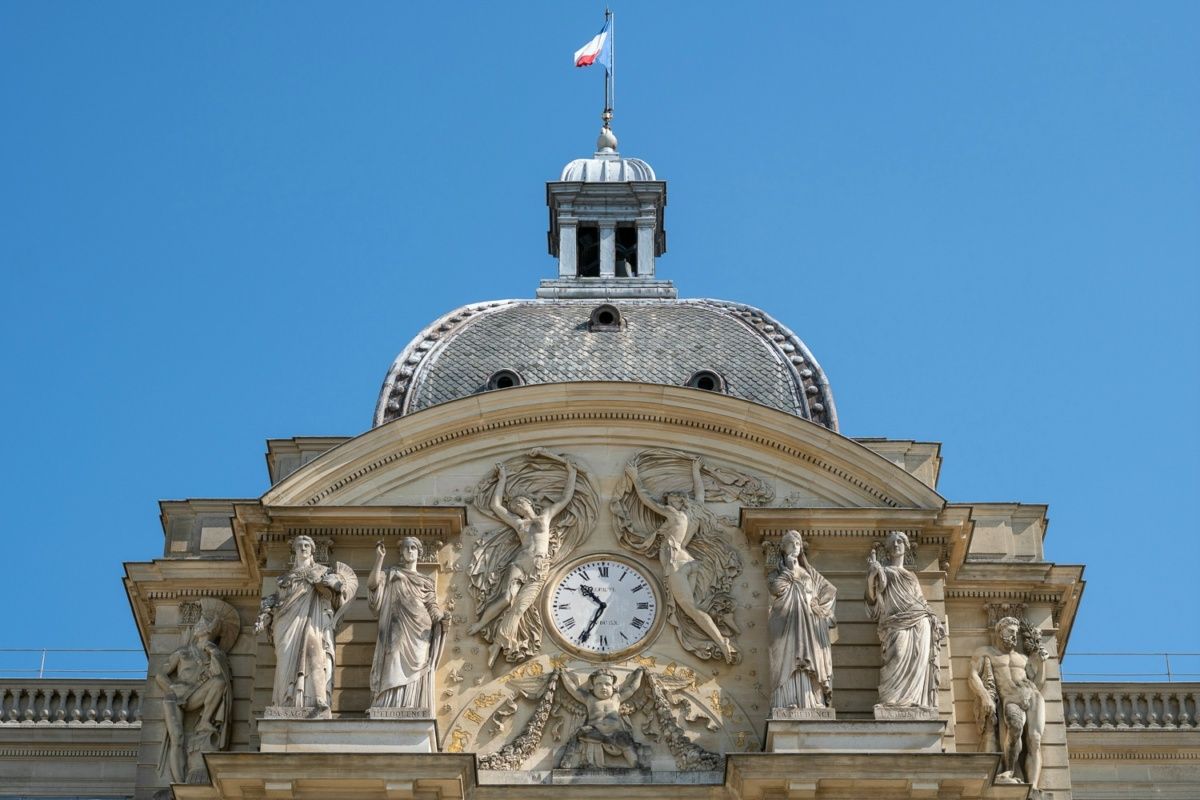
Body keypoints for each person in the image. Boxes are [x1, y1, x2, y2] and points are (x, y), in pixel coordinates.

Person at [625, 457, 738, 663]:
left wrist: (635, 479)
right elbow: (700, 494)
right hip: (689, 562)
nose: (666, 504)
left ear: (676, 502)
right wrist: (695, 470)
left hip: (676, 562)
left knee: (690, 609)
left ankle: (722, 642)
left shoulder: (674, 515)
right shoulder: (693, 513)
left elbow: (647, 500)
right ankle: (720, 635)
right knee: (692, 608)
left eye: (669, 501)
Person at [468, 457, 577, 665]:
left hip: (538, 566)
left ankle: (499, 642)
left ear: (529, 502)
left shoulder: (544, 517)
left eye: (519, 503)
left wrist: (571, 472)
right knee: (507, 599)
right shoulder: (519, 524)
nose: (517, 506)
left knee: (520, 606)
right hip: (520, 562)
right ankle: (481, 623)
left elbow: (565, 497)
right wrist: (503, 479)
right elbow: (496, 506)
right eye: (515, 505)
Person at [256, 535, 356, 712]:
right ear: (294, 551)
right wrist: (265, 615)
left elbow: (337, 599)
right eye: (299, 545)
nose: (303, 548)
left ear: (312, 550)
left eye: (306, 545)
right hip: (286, 623)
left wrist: (337, 585)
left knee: (315, 653)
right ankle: (286, 702)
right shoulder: (284, 579)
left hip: (312, 619)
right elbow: (277, 602)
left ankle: (317, 698)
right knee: (285, 660)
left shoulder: (321, 572)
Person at [865, 530, 946, 709]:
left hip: (919, 620)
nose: (896, 545)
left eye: (900, 541)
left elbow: (919, 599)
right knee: (898, 656)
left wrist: (931, 616)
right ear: (887, 550)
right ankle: (891, 700)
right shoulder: (883, 570)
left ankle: (914, 700)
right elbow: (872, 600)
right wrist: (871, 576)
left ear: (905, 546)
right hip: (895, 623)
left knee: (918, 660)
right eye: (892, 542)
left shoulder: (911, 576)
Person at [367, 536, 449, 710]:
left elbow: (432, 607)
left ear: (419, 552)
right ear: (402, 552)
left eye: (413, 548)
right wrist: (379, 559)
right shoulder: (391, 572)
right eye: (406, 548)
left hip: (421, 629)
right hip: (397, 624)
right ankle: (389, 703)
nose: (410, 551)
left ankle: (411, 704)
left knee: (418, 665)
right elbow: (373, 585)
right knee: (393, 657)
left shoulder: (426, 581)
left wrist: (442, 618)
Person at [968, 616, 1048, 790]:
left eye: (1016, 633)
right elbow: (973, 676)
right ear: (1000, 630)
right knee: (1015, 725)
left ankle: (1033, 786)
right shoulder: (985, 652)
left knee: (1034, 740)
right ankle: (1009, 770)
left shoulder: (1022, 658)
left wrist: (1042, 664)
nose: (1014, 636)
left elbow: (1038, 683)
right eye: (1011, 632)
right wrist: (985, 696)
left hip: (1032, 696)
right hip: (1011, 698)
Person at [156, 612, 232, 783]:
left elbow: (221, 676)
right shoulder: (182, 652)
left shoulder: (213, 654)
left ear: (210, 631)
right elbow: (160, 675)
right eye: (199, 625)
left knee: (219, 682)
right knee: (178, 738)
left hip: (195, 695)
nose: (198, 627)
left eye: (203, 625)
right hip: (174, 698)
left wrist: (214, 653)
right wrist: (172, 690)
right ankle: (179, 782)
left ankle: (205, 720)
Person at [767, 530, 837, 710]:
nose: (795, 547)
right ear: (783, 548)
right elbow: (775, 589)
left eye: (797, 544)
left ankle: (812, 701)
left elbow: (830, 590)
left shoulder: (809, 574)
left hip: (808, 623)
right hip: (785, 623)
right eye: (791, 544)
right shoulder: (777, 573)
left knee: (809, 659)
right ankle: (786, 700)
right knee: (788, 659)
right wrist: (790, 571)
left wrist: (821, 611)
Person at [559, 668, 648, 769]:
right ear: (592, 686)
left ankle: (635, 765)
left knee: (625, 740)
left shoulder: (616, 699)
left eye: (607, 684)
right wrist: (563, 675)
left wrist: (640, 674)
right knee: (585, 732)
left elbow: (632, 688)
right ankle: (579, 762)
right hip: (595, 731)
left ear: (613, 686)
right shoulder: (589, 699)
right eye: (599, 684)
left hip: (615, 733)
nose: (603, 687)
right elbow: (573, 690)